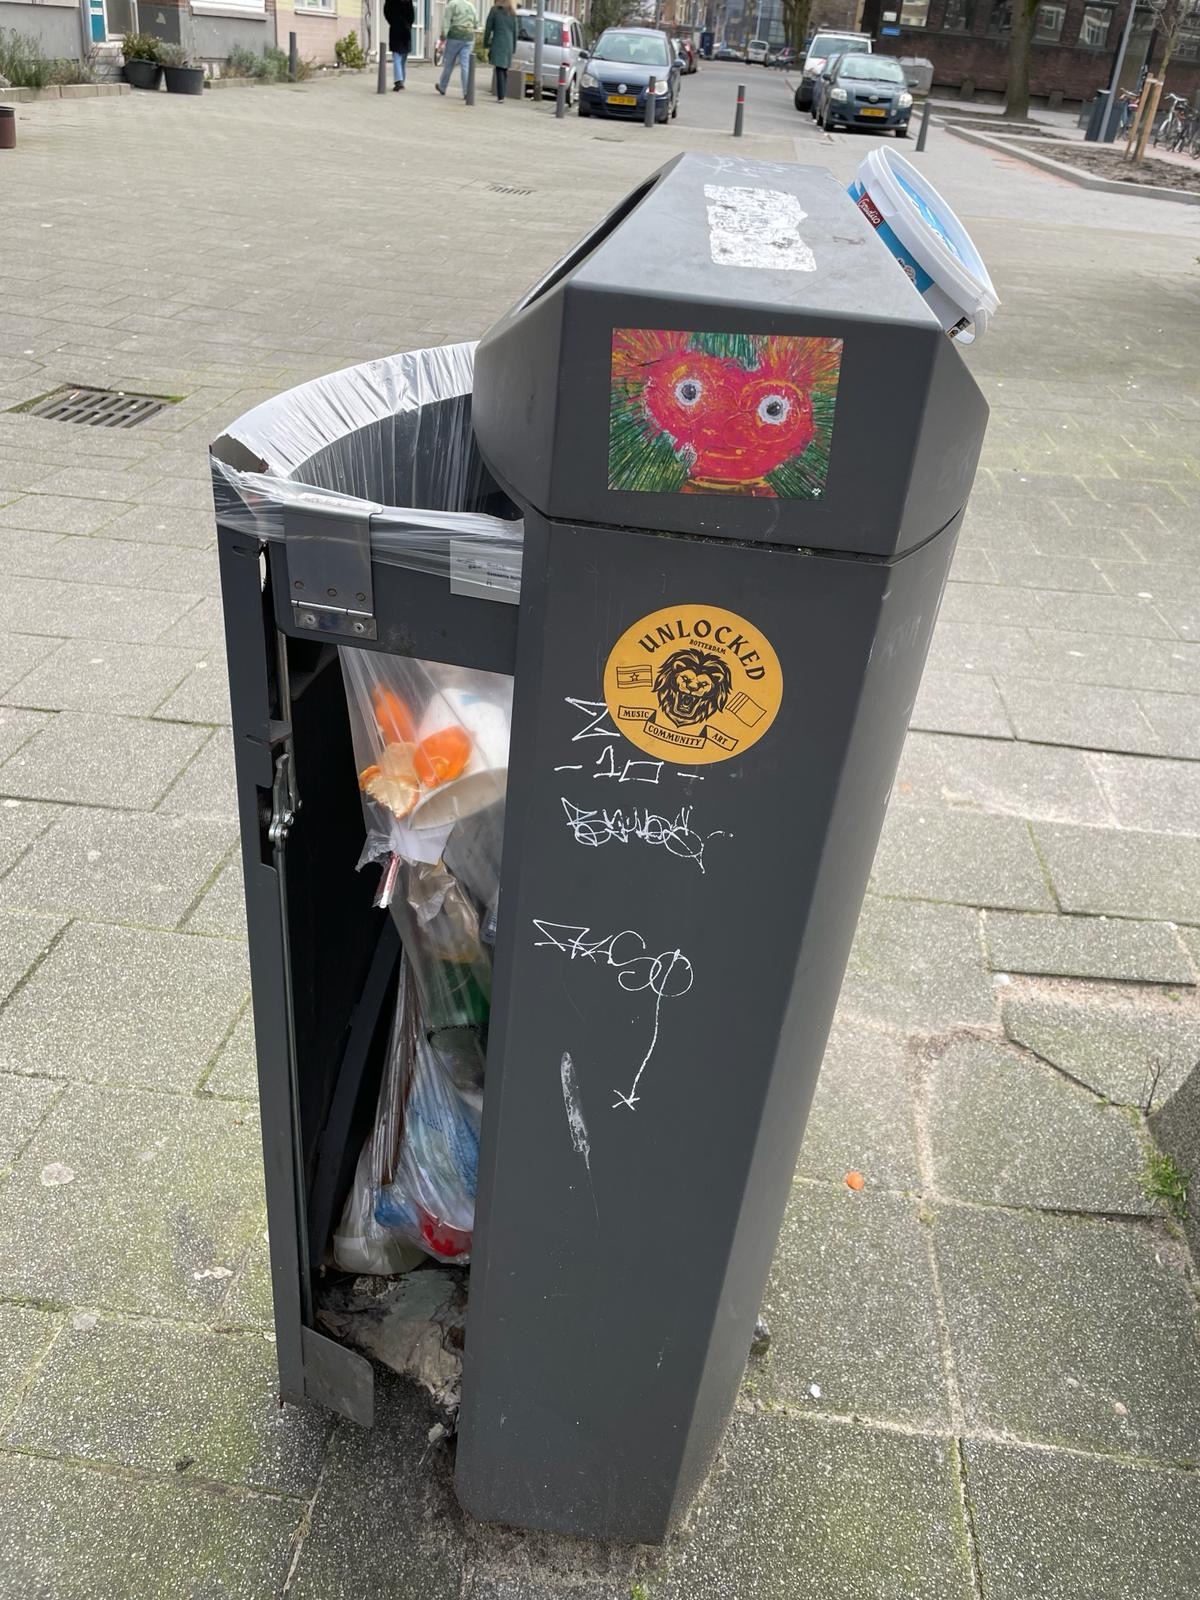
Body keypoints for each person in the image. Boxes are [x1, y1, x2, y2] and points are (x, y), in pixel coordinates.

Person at [437, 0, 478, 97]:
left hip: (455, 36)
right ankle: (467, 92)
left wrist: (443, 36)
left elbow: (446, 22)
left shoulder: (452, 4)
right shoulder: (471, 6)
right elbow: (476, 23)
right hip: (469, 37)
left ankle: (442, 86)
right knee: (465, 65)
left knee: (449, 63)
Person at [483, 0, 518, 102]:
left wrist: (486, 43)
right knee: (504, 69)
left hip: (498, 43)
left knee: (499, 69)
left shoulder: (495, 11)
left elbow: (488, 27)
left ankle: (501, 95)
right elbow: (515, 32)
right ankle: (502, 93)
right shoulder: (512, 13)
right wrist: (514, 47)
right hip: (509, 44)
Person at [384, 0, 415, 90]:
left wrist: (392, 22)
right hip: (406, 30)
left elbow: (386, 12)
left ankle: (399, 81)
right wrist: (408, 25)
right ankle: (401, 81)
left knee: (397, 56)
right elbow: (412, 15)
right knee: (403, 58)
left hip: (396, 29)